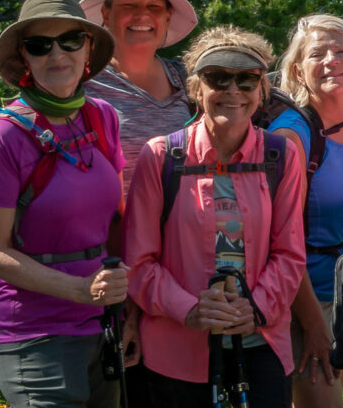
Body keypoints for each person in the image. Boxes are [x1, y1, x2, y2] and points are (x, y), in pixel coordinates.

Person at [0, 0, 132, 408]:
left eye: (71, 39)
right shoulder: (3, 138)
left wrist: (127, 312)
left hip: (101, 325)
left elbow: (114, 220)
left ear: (88, 47)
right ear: (25, 59)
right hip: (33, 334)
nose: (58, 54)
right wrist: (78, 291)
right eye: (40, 45)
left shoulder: (101, 116)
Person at [123, 27, 309, 408]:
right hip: (176, 351)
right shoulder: (162, 157)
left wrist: (255, 309)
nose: (232, 90)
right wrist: (189, 309)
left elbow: (290, 254)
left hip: (261, 346)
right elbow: (139, 263)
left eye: (246, 79)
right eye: (217, 78)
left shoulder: (281, 156)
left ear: (263, 90)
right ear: (196, 88)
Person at [268, 14, 343, 408]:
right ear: (298, 70)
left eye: (341, 51)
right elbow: (282, 241)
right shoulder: (292, 136)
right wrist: (315, 325)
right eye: (318, 54)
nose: (332, 60)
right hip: (311, 302)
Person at [80, 0, 200, 181]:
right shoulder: (82, 82)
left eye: (154, 6)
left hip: (181, 215)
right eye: (128, 4)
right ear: (106, 13)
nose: (142, 15)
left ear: (167, 16)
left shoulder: (185, 78)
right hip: (110, 216)